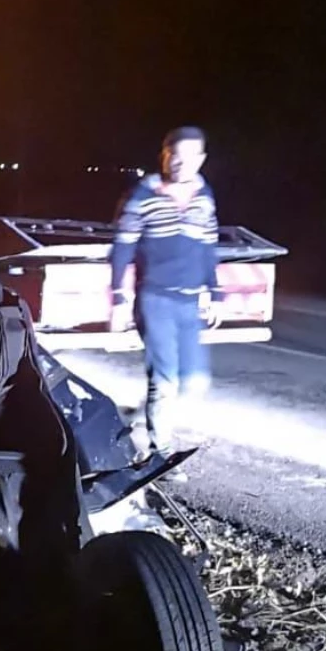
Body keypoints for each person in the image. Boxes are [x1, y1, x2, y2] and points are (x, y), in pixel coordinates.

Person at [109, 126, 223, 457]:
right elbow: (123, 246)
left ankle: (137, 416)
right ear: (165, 155)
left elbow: (207, 247)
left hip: (188, 301)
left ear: (201, 160)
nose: (181, 164)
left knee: (195, 383)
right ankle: (161, 450)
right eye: (175, 156)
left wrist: (214, 293)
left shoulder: (205, 195)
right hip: (154, 297)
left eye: (190, 157)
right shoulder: (142, 195)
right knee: (165, 379)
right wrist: (118, 295)